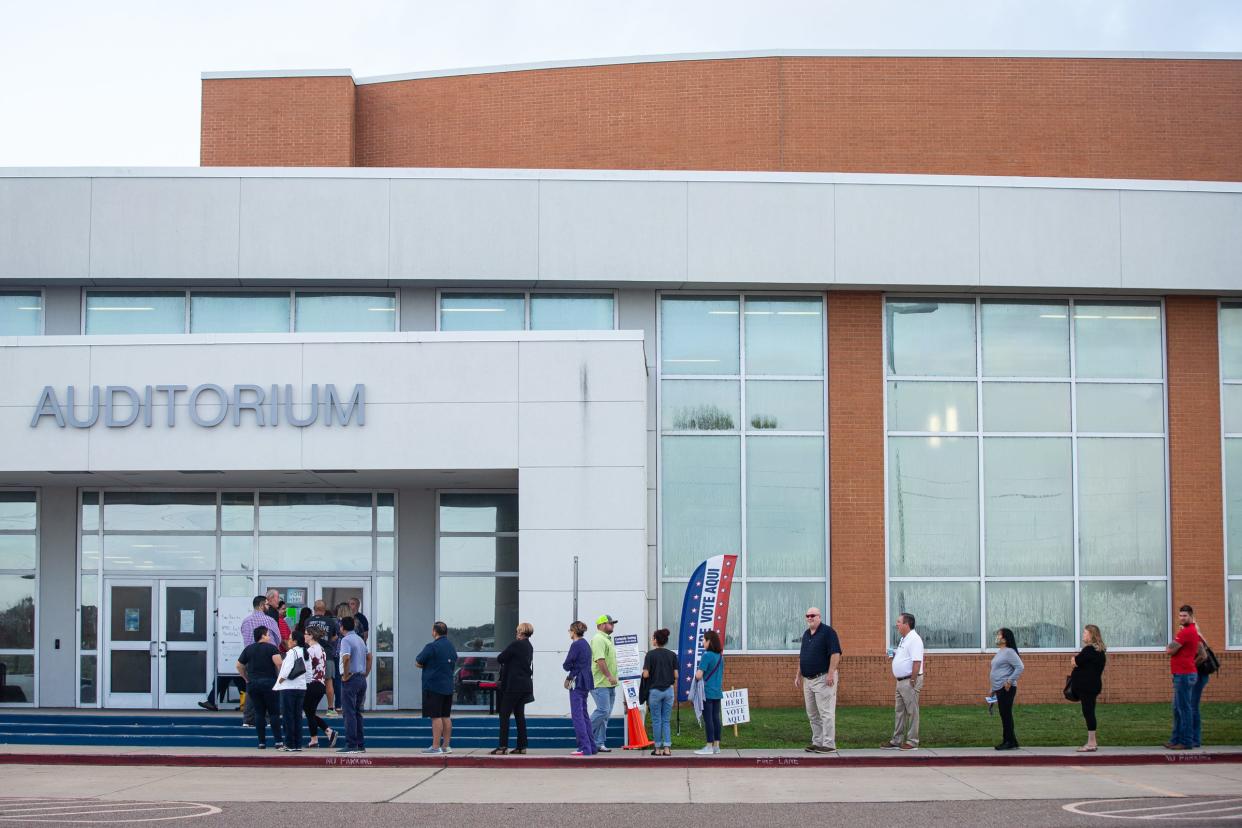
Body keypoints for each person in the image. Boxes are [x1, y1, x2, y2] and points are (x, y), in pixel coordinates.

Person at [220, 595, 281, 725]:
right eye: (266, 604)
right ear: (260, 605)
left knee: (252, 689)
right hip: (269, 658)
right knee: (271, 689)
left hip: (251, 657)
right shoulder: (270, 621)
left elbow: (244, 639)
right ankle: (270, 719)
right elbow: (278, 639)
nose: (268, 606)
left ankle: (248, 719)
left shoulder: (246, 621)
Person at [795, 606, 842, 754]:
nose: (810, 618)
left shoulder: (828, 632)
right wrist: (798, 675)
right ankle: (817, 742)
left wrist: (830, 673)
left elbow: (835, 654)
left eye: (813, 615)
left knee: (826, 712)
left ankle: (829, 744)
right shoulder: (807, 634)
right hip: (808, 680)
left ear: (819, 617)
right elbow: (802, 656)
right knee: (812, 713)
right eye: (807, 616)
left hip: (823, 678)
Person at [415, 621, 459, 755]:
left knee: (435, 717)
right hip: (448, 686)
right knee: (446, 716)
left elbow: (418, 662)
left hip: (433, 687)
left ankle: (435, 746)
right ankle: (446, 746)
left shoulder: (431, 646)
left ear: (435, 632)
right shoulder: (451, 647)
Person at [236, 626, 283, 749]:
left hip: (253, 684)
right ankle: (278, 741)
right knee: (273, 713)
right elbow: (279, 663)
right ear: (262, 635)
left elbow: (239, 665)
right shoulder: (272, 648)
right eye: (268, 634)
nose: (269, 637)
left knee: (259, 713)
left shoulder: (249, 649)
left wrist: (246, 678)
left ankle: (261, 742)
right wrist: (281, 679)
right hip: (269, 683)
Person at [883, 612, 923, 751]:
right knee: (899, 711)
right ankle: (896, 740)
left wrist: (913, 679)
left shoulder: (914, 639)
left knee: (912, 711)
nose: (897, 624)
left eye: (899, 622)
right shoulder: (903, 639)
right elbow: (905, 657)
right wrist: (894, 655)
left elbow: (917, 662)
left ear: (907, 624)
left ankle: (912, 742)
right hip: (901, 681)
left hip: (909, 680)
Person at [493, 622, 535, 755]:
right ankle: (522, 746)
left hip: (513, 685)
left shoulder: (516, 644)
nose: (516, 633)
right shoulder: (529, 646)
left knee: (504, 714)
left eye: (518, 631)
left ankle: (502, 746)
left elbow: (501, 658)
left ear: (521, 632)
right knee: (519, 715)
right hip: (525, 685)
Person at [1165, 604, 1202, 751]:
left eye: (1185, 616)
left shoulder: (1186, 632)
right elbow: (1173, 649)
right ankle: (1175, 740)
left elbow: (1169, 650)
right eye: (1180, 615)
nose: (1182, 618)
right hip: (1183, 673)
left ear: (1191, 616)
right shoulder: (1190, 631)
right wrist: (1174, 649)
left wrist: (1173, 649)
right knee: (1177, 708)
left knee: (1184, 709)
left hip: (1184, 674)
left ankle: (1186, 741)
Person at [1070, 624, 1107, 752]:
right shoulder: (1099, 651)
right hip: (1092, 686)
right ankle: (1092, 742)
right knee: (1089, 711)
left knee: (1088, 712)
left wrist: (1074, 660)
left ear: (1091, 635)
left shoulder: (1089, 650)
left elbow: (1075, 661)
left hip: (1087, 687)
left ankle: (1092, 743)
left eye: (1085, 633)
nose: (1083, 635)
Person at [337, 615, 371, 754]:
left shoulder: (346, 640)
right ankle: (360, 744)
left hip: (350, 679)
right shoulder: (360, 639)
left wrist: (345, 675)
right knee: (357, 712)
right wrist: (366, 673)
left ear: (342, 627)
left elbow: (346, 658)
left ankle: (351, 744)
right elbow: (370, 656)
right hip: (361, 678)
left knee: (349, 712)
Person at [642, 628, 678, 757]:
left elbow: (646, 675)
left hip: (655, 691)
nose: (652, 640)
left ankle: (657, 749)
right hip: (668, 690)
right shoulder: (672, 655)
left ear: (656, 640)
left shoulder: (650, 655)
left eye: (653, 638)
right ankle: (667, 748)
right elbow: (676, 675)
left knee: (656, 720)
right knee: (666, 720)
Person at [301, 624, 337, 749]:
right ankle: (327, 732)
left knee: (309, 711)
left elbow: (305, 667)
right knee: (309, 711)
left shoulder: (310, 650)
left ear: (311, 636)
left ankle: (316, 738)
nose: (304, 636)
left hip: (312, 683)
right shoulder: (321, 649)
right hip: (320, 684)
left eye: (306, 633)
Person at [275, 625, 310, 752]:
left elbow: (286, 671)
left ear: (295, 641)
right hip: (301, 688)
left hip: (289, 688)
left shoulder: (292, 652)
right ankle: (297, 744)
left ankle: (289, 744)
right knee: (297, 716)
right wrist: (305, 683)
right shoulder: (306, 652)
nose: (288, 641)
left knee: (288, 717)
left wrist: (280, 681)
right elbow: (309, 673)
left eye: (290, 638)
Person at [563, 620, 596, 756]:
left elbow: (566, 664)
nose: (569, 633)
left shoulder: (575, 645)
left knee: (577, 715)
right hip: (586, 681)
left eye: (570, 631)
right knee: (584, 714)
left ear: (574, 631)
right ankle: (591, 746)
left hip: (577, 680)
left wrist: (570, 668)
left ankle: (584, 747)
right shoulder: (586, 644)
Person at [990, 628, 1024, 750]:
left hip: (1007, 688)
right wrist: (992, 689)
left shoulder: (1009, 652)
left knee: (1006, 715)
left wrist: (1009, 681)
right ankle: (1012, 741)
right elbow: (996, 671)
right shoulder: (1001, 652)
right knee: (1004, 714)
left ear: (1005, 638)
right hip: (999, 688)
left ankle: (1008, 741)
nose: (997, 637)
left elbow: (1020, 667)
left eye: (999, 635)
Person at [589, 613, 619, 753]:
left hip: (609, 684)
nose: (612, 625)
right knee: (603, 710)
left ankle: (598, 743)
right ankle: (585, 733)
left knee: (605, 714)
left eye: (613, 623)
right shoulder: (598, 639)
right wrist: (609, 676)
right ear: (601, 625)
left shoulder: (607, 639)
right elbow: (600, 660)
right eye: (610, 623)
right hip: (601, 682)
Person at [694, 629, 724, 756]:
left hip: (707, 692)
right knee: (716, 718)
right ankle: (716, 746)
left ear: (709, 641)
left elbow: (699, 675)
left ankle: (708, 746)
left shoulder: (706, 655)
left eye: (704, 640)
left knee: (708, 719)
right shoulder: (720, 657)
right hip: (717, 691)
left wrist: (695, 675)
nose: (702, 642)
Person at [310, 600, 340, 714]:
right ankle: (331, 708)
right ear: (324, 610)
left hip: (311, 655)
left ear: (314, 609)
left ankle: (309, 708)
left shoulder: (308, 621)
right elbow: (334, 637)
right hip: (327, 654)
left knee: (309, 681)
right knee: (329, 681)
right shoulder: (331, 622)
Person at [1190, 609, 1213, 749]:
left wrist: (1190, 666)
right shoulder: (1198, 637)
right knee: (1192, 706)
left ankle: (1195, 738)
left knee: (1193, 706)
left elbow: (1203, 656)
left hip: (1199, 675)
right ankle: (1193, 737)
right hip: (1199, 675)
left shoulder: (1197, 638)